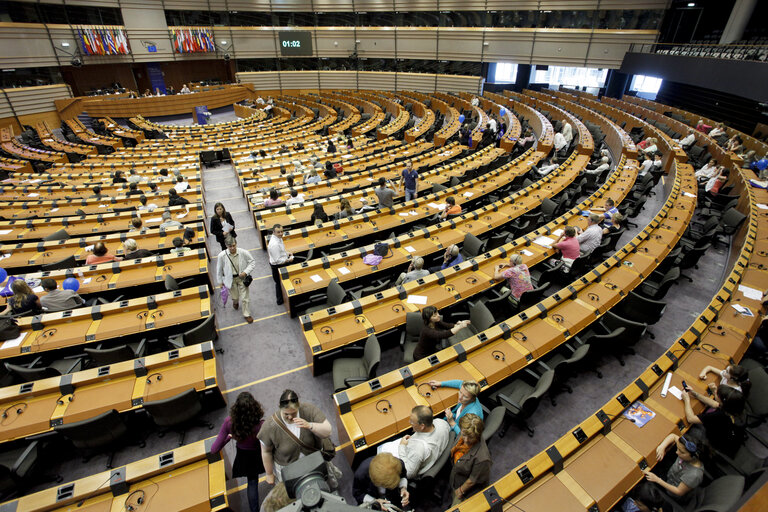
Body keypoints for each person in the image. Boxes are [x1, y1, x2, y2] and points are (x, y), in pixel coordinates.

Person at [259, 389, 333, 483]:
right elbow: (266, 452)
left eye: (293, 413)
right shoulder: (270, 426)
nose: (290, 417)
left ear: (298, 406)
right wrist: (269, 473)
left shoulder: (308, 410)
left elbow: (328, 431)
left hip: (314, 462)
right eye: (286, 414)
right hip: (289, 470)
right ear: (280, 407)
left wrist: (310, 426)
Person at [211, 392, 265, 512]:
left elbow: (214, 449)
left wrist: (229, 437)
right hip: (257, 455)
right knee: (259, 479)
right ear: (254, 407)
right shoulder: (260, 425)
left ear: (236, 408)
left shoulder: (229, 423)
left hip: (243, 456)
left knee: (251, 482)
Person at [372, 405, 451, 479]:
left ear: (422, 426)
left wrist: (402, 446)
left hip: (408, 458)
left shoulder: (418, 449)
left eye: (412, 422)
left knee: (379, 456)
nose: (410, 422)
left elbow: (408, 473)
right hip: (420, 451)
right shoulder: (441, 423)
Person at [642, 427, 707, 502]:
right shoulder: (686, 448)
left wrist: (657, 480)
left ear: (694, 456)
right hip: (671, 474)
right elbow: (673, 436)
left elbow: (678, 491)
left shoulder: (694, 475)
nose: (677, 452)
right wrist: (662, 447)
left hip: (671, 491)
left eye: (681, 452)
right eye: (678, 449)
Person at [682, 384, 745, 458]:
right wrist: (694, 393)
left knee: (689, 430)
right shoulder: (731, 409)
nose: (715, 392)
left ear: (722, 401)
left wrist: (686, 400)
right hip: (727, 436)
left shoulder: (719, 416)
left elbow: (691, 419)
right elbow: (713, 403)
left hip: (714, 442)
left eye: (717, 394)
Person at [448, 414, 491, 505]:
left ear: (478, 435)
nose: (466, 440)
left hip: (468, 490)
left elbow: (472, 480)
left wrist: (460, 491)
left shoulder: (482, 458)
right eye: (464, 435)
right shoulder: (466, 432)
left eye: (471, 437)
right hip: (457, 477)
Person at [217, 236, 256, 323]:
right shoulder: (222, 256)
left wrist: (245, 272)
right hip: (230, 279)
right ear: (226, 246)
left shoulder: (243, 252)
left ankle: (247, 314)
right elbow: (219, 269)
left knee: (245, 298)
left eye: (234, 245)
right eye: (230, 246)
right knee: (235, 297)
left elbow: (252, 262)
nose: (232, 248)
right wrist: (220, 282)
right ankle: (235, 302)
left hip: (242, 278)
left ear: (236, 244)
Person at [268, 224, 294, 306]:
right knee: (279, 283)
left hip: (280, 261)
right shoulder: (274, 244)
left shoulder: (278, 238)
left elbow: (281, 251)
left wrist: (287, 253)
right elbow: (278, 260)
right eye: (278, 232)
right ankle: (279, 300)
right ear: (273, 232)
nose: (281, 233)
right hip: (277, 266)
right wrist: (288, 260)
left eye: (282, 231)